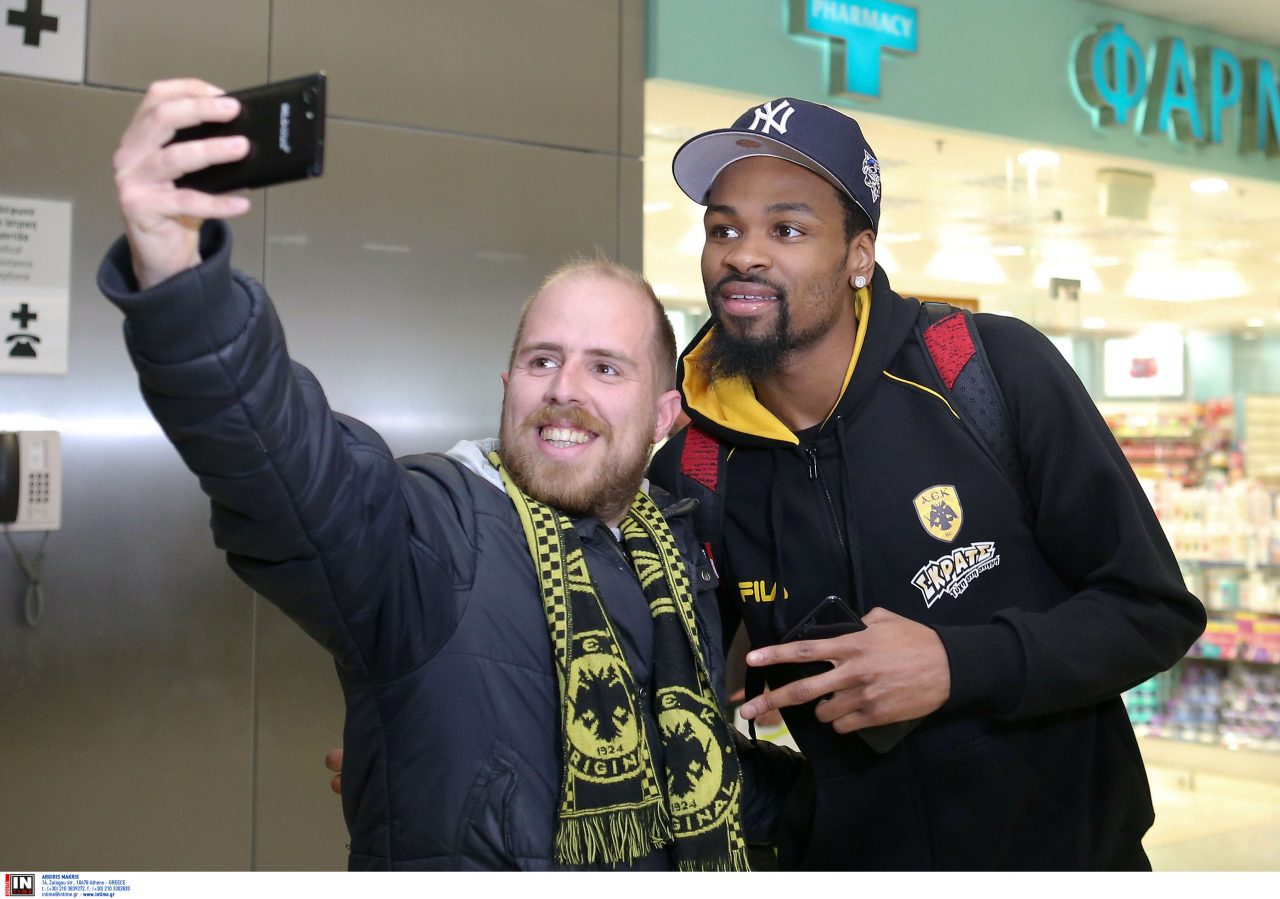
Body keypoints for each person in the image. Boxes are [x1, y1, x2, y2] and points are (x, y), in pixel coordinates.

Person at [97, 79, 804, 871]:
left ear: (664, 415)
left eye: (606, 368)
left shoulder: (674, 557)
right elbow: (282, 459)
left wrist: (859, 808)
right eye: (542, 360)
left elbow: (699, 770)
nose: (564, 389)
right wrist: (180, 282)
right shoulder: (432, 535)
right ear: (508, 385)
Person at [647, 97, 1208, 870]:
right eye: (723, 229)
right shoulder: (694, 466)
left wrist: (956, 663)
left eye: (788, 229)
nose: (744, 255)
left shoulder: (987, 372)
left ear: (859, 256)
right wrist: (803, 818)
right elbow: (677, 703)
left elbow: (1152, 610)